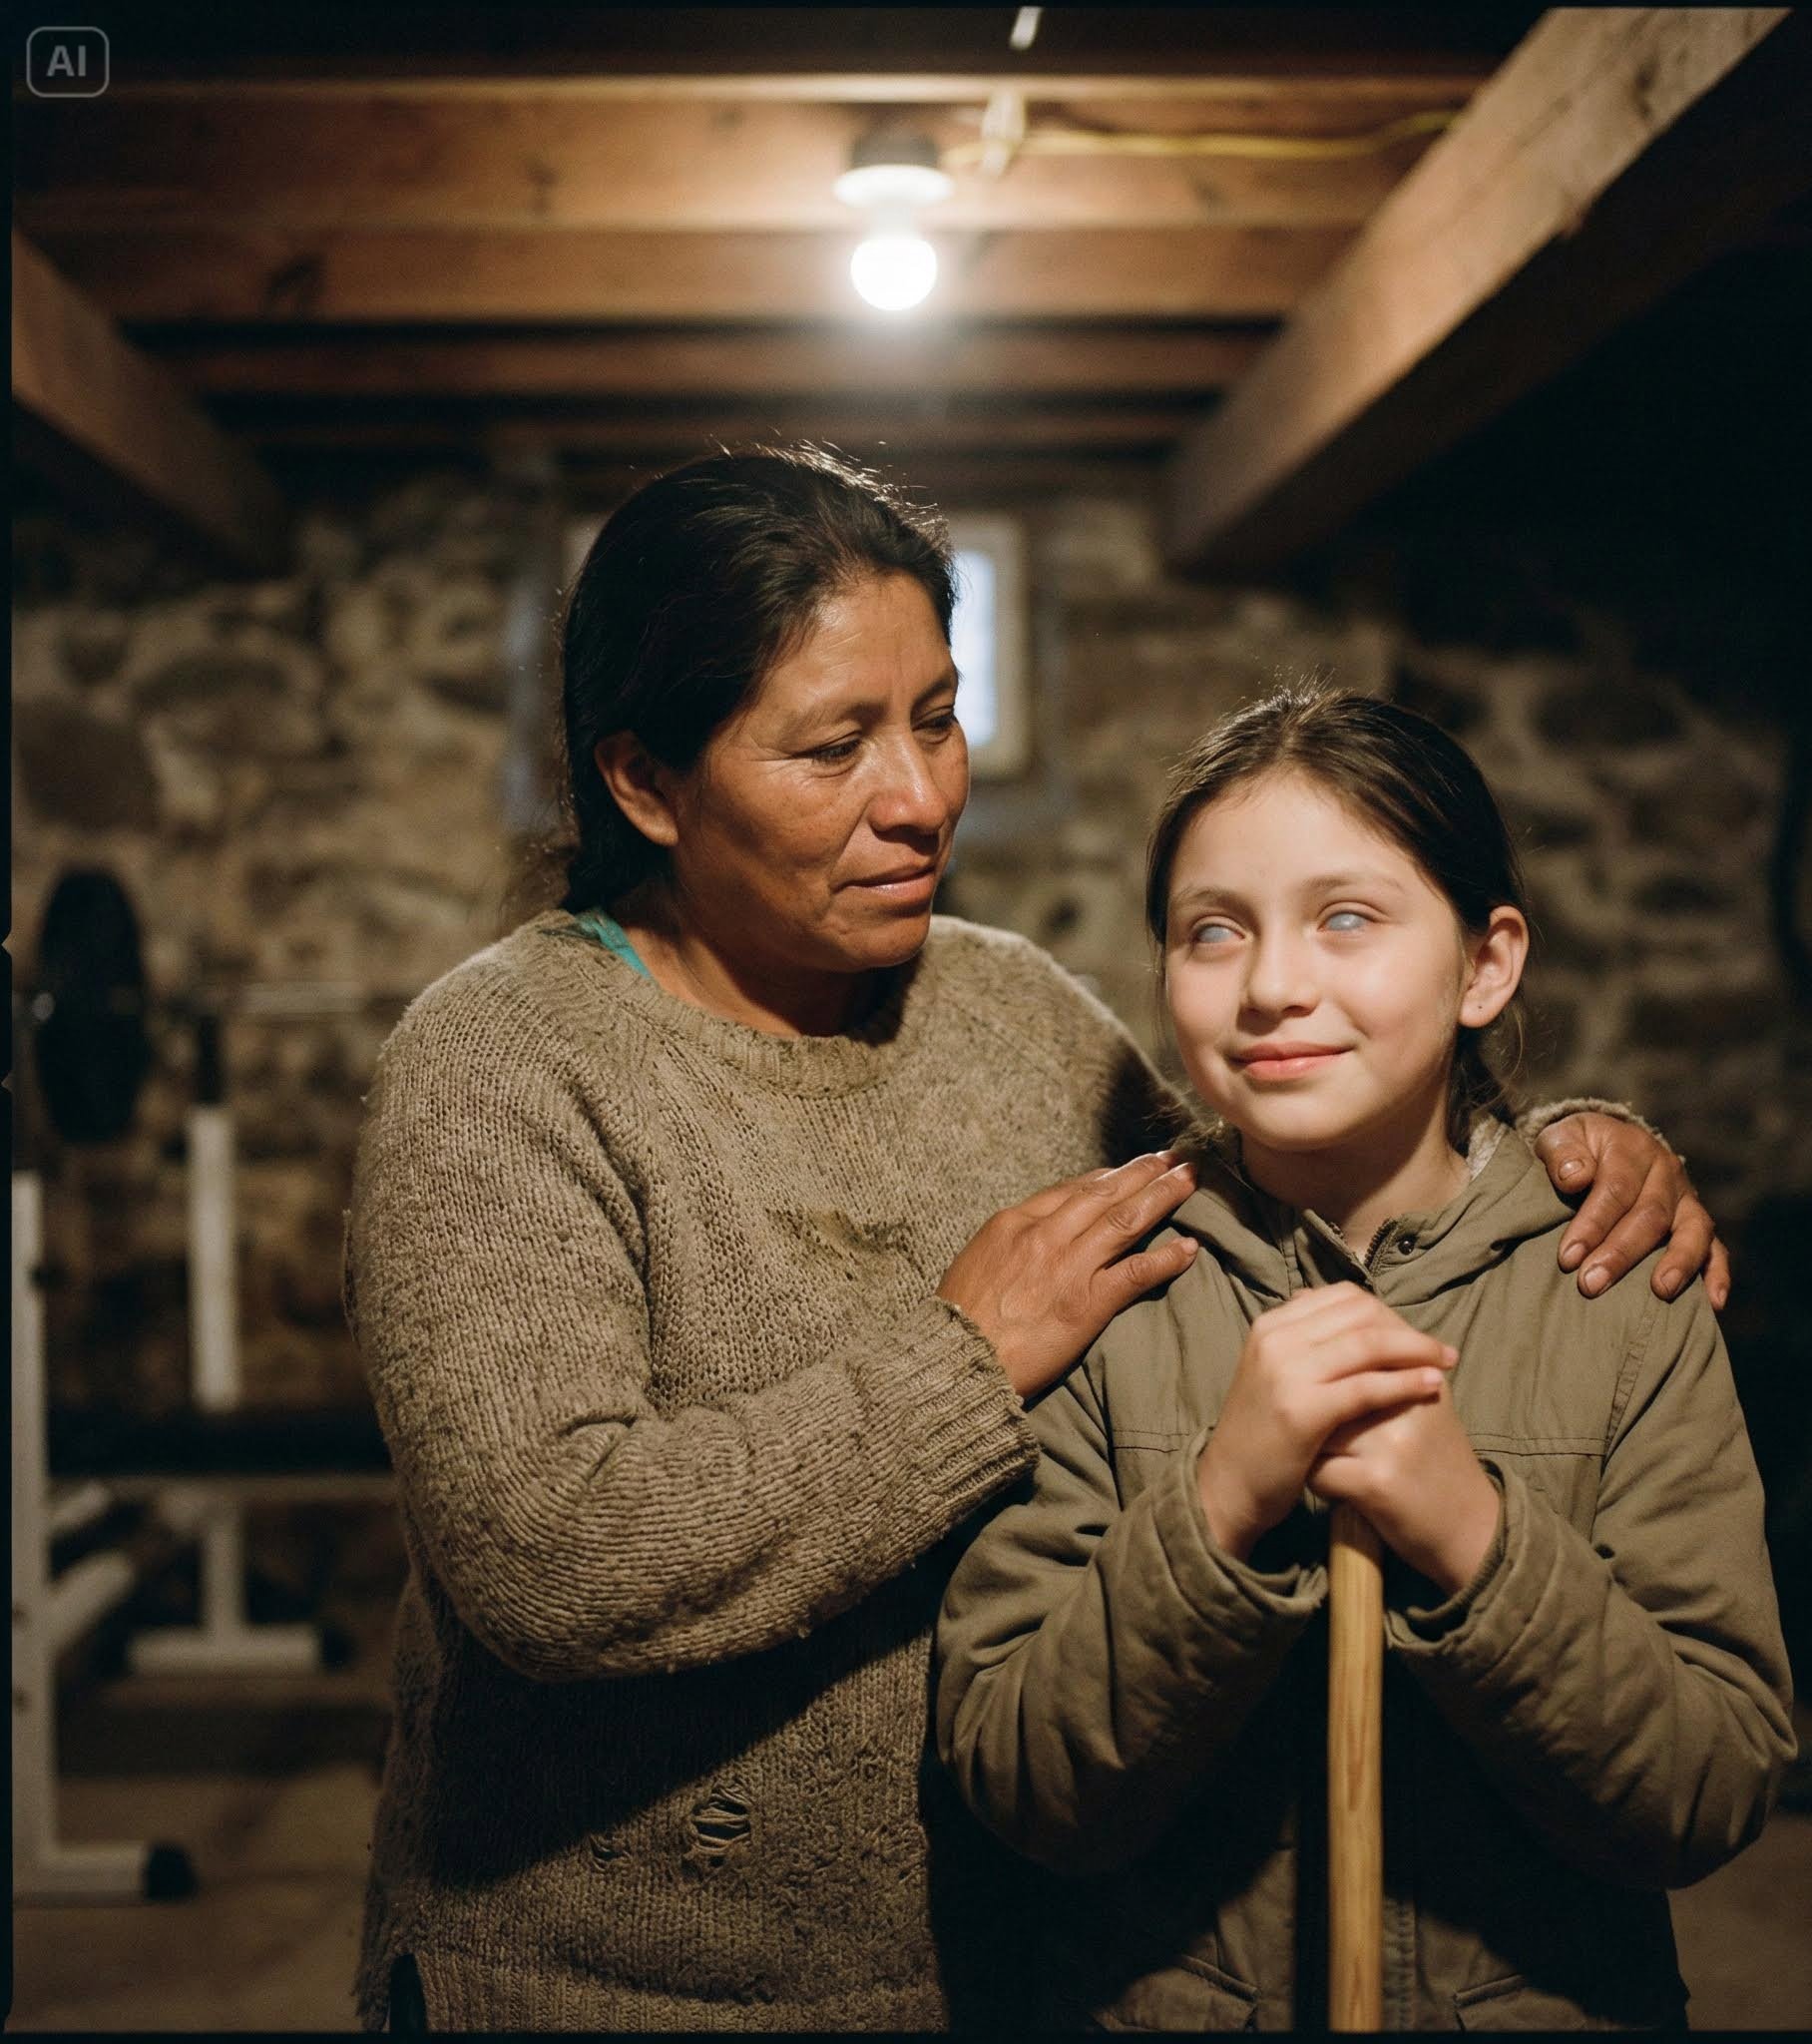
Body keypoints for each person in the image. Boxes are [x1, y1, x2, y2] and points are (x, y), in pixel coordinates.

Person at [343, 447, 1730, 2032]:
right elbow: (551, 1554)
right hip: (626, 1987)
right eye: (832, 747)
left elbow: (1282, 1170)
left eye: (936, 716)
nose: (921, 797)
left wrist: (1563, 1141)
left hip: (1009, 1962)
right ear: (646, 784)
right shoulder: (506, 1063)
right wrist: (967, 1367)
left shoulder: (1012, 1011)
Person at [933, 686, 1794, 2031]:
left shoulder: (1624, 1290)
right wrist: (1219, 1509)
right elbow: (1030, 1783)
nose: (1275, 983)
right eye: (1214, 930)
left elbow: (1708, 1791)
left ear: (1486, 964)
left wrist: (1478, 1540)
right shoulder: (1113, 1294)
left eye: (1348, 918)